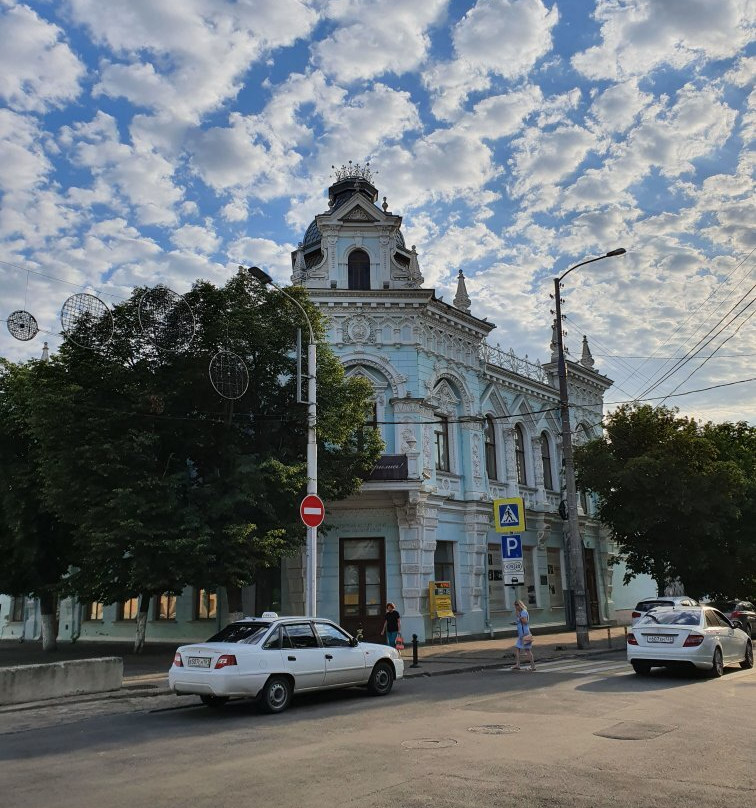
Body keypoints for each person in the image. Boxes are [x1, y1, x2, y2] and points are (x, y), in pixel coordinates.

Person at [511, 599, 535, 671]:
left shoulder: (523, 612)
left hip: (525, 634)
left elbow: (525, 622)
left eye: (516, 606)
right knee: (518, 648)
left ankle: (532, 666)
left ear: (519, 605)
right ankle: (518, 665)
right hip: (522, 634)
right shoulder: (521, 612)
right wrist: (515, 623)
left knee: (527, 650)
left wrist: (519, 616)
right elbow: (521, 622)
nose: (515, 608)